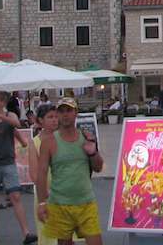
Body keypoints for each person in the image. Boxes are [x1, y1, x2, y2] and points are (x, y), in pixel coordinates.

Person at [36, 97, 104, 245]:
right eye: (61, 111)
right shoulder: (48, 142)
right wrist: (41, 203)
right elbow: (41, 173)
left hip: (86, 203)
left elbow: (98, 167)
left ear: (76, 113)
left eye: (69, 111)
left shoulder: (86, 137)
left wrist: (93, 152)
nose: (65, 115)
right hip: (60, 204)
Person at [0, 91, 37, 244]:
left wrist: (1, 117)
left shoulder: (9, 115)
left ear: (3, 102)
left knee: (15, 196)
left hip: (8, 162)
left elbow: (16, 125)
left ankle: (26, 233)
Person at [28, 105, 73, 245]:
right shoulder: (35, 142)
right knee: (49, 235)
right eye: (50, 117)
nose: (54, 120)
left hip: (66, 191)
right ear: (41, 120)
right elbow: (34, 174)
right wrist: (46, 193)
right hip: (45, 193)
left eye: (55, 116)